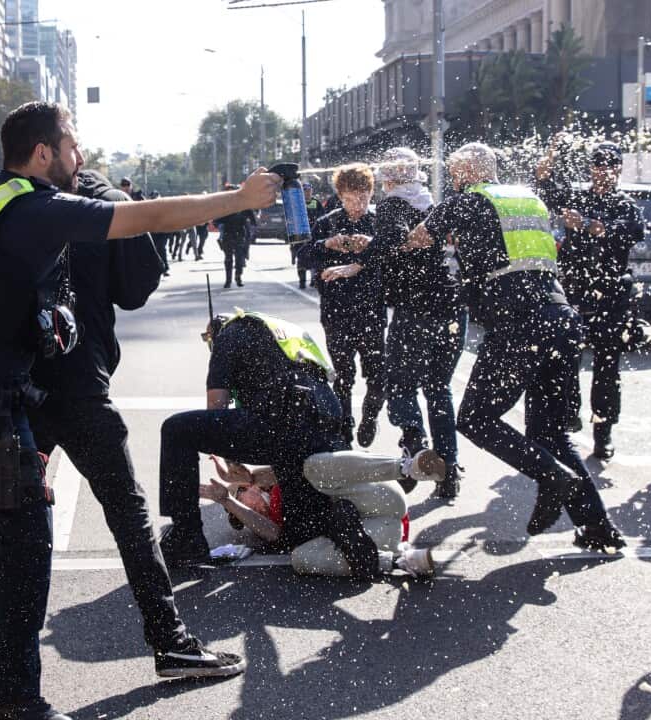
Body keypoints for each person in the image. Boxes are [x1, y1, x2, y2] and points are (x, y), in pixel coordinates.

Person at [0, 101, 278, 719]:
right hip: (24, 397)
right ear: (42, 154)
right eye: (72, 146)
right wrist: (239, 199)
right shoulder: (42, 209)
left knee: (8, 522)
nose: (79, 159)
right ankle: (26, 696)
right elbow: (153, 217)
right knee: (42, 545)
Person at [406, 142, 626, 551]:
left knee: (474, 419)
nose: (453, 180)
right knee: (551, 435)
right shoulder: (527, 199)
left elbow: (416, 241)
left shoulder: (466, 201)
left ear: (467, 173)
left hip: (519, 325)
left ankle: (552, 477)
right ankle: (599, 529)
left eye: (455, 173)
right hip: (560, 318)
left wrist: (386, 241)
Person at [158, 309, 429, 579]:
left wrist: (230, 461)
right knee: (300, 534)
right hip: (322, 429)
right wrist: (249, 476)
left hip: (281, 423)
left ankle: (186, 536)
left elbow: (215, 409)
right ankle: (354, 535)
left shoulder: (230, 332)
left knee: (176, 430)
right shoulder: (283, 329)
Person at [534, 141, 645, 459]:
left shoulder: (625, 204)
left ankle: (604, 430)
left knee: (607, 366)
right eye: (597, 165)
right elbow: (550, 198)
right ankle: (569, 416)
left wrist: (590, 227)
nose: (603, 172)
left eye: (609, 166)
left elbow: (631, 231)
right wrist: (543, 176)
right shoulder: (578, 196)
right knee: (568, 358)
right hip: (575, 291)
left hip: (611, 294)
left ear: (618, 169)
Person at [371, 147, 464, 498]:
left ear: (390, 178)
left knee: (400, 382)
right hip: (451, 306)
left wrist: (370, 250)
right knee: (439, 389)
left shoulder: (393, 204)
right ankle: (449, 472)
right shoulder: (431, 203)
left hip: (417, 308)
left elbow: (392, 237)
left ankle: (414, 445)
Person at [203, 449, 442, 577]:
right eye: (238, 516)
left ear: (249, 487)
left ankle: (406, 466)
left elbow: (288, 470)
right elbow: (273, 534)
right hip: (381, 536)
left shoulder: (278, 481)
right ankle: (400, 561)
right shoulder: (274, 525)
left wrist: (251, 476)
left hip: (379, 497)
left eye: (240, 498)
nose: (248, 510)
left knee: (311, 467)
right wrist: (226, 501)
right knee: (301, 558)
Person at [300, 163, 387, 447]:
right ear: (340, 195)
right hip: (336, 311)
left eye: (363, 198)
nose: (357, 205)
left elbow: (395, 258)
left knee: (377, 376)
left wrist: (372, 245)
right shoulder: (327, 222)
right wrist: (328, 244)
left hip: (372, 310)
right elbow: (302, 256)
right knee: (343, 375)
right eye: (351, 199)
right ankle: (344, 428)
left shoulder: (380, 222)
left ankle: (370, 416)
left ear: (371, 193)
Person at [215, 184, 256, 288]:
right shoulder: (223, 205)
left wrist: (248, 221)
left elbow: (253, 220)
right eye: (227, 192)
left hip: (240, 235)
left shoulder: (244, 205)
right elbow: (216, 220)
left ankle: (238, 276)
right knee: (228, 258)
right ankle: (228, 280)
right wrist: (220, 224)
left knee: (239, 258)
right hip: (227, 234)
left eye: (232, 192)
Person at [292, 183, 325, 288]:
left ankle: (313, 280)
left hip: (314, 235)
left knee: (314, 259)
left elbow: (323, 217)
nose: (307, 192)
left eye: (309, 190)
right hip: (301, 235)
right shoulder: (298, 203)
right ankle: (302, 281)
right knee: (301, 259)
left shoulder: (316, 203)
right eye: (305, 190)